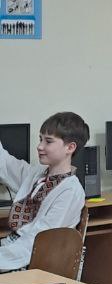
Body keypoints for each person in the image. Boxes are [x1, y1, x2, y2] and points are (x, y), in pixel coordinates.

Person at [0, 113, 89, 271]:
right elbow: (5, 164)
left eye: (48, 141)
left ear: (70, 147)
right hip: (14, 249)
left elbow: (38, 241)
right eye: (40, 139)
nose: (40, 146)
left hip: (34, 262)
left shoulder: (70, 191)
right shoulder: (37, 174)